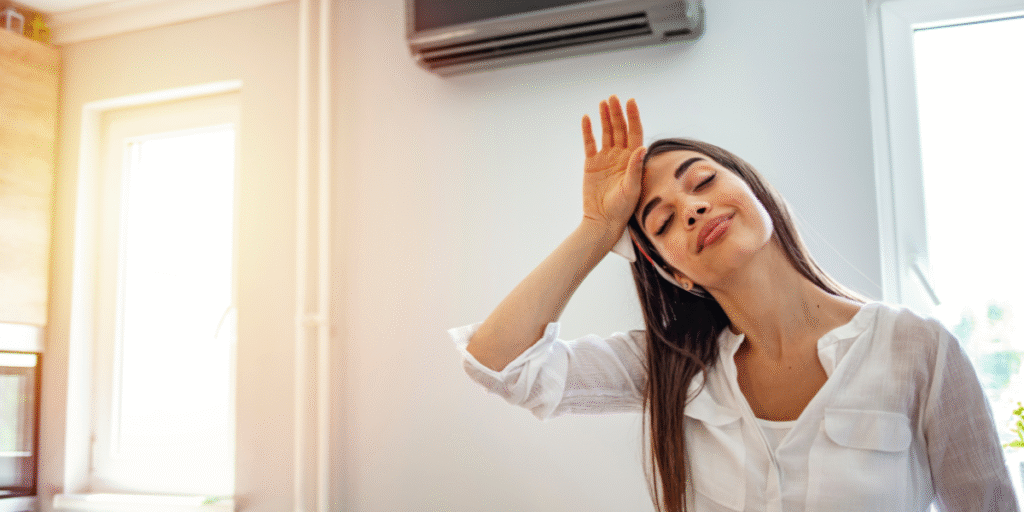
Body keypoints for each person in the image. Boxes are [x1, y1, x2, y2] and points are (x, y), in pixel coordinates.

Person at [449, 95, 1017, 512]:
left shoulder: (918, 348)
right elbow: (498, 361)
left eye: (702, 182)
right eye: (664, 220)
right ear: (676, 273)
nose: (691, 209)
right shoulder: (673, 365)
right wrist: (598, 228)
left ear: (754, 191)